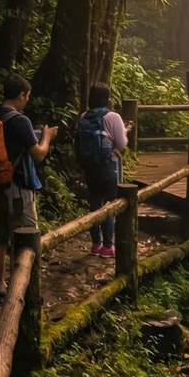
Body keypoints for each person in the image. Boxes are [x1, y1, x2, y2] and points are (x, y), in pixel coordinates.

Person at [0, 75, 54, 302]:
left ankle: (0, 288)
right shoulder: (20, 120)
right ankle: (27, 290)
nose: (27, 101)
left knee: (0, 237)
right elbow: (38, 154)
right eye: (27, 96)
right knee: (28, 238)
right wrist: (46, 137)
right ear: (21, 95)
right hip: (19, 189)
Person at [77, 83, 128, 258]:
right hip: (108, 168)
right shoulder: (113, 117)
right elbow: (121, 143)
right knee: (110, 205)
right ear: (107, 99)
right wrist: (125, 131)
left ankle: (95, 244)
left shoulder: (84, 116)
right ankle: (108, 246)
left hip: (90, 168)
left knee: (94, 204)